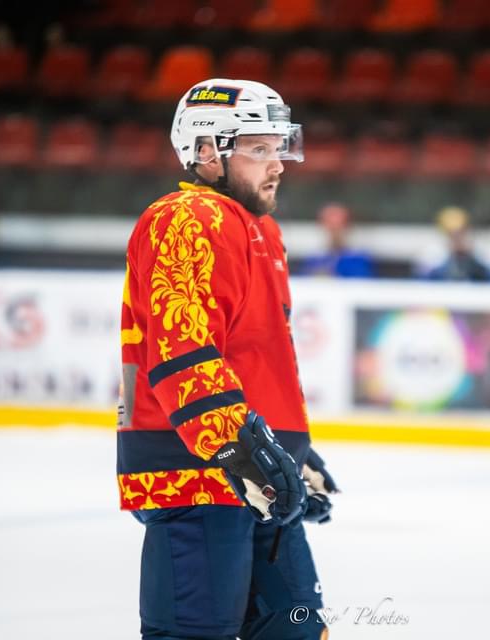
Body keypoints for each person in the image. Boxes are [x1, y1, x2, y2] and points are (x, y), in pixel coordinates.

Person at [117, 78, 339, 640]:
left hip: (251, 471)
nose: (278, 164)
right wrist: (242, 449)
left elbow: (254, 353)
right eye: (259, 149)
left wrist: (287, 445)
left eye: (279, 147)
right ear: (206, 152)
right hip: (197, 473)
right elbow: (182, 348)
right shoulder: (187, 218)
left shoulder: (260, 227)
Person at [416, 206, 490, 282]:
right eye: (453, 234)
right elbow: (426, 277)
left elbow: (489, 275)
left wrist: (469, 257)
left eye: (460, 233)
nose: (457, 238)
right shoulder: (433, 255)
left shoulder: (477, 254)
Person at [299, 202, 374, 278]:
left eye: (338, 226)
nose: (335, 232)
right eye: (331, 227)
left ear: (348, 227)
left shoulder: (358, 260)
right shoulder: (314, 259)